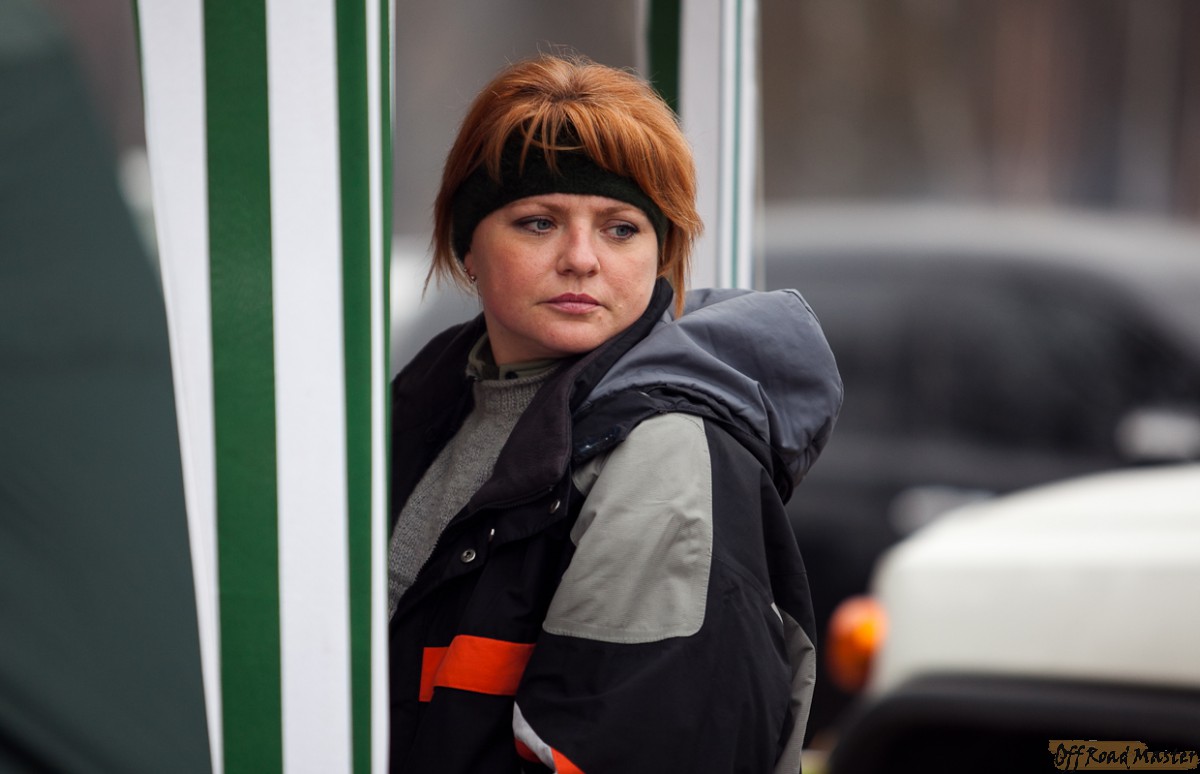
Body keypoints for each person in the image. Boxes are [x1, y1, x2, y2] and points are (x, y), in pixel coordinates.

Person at [388, 53, 842, 774]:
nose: (581, 258)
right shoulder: (427, 409)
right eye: (538, 222)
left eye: (620, 228)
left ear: (662, 253)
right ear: (467, 245)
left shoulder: (663, 457)